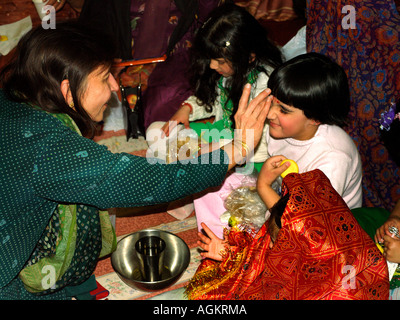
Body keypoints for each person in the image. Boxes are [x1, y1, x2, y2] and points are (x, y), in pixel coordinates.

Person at [0, 22, 271, 300]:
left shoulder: (13, 101)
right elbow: (144, 180)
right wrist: (238, 148)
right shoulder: (50, 150)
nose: (116, 87)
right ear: (68, 91)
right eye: (105, 77)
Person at [146, 3, 283, 227]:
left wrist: (217, 147)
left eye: (219, 61)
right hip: (220, 138)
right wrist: (187, 108)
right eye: (210, 58)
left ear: (248, 56)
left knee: (238, 211)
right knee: (155, 131)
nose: (211, 65)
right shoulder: (231, 71)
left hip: (248, 160)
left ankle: (189, 192)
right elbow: (213, 103)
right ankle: (190, 188)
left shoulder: (265, 86)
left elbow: (261, 147)